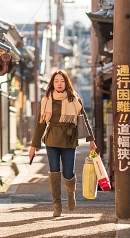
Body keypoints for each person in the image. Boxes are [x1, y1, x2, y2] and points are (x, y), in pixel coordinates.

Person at [29, 69, 96, 217]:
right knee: (54, 171)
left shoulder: (74, 99)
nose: (59, 84)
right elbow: (40, 125)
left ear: (67, 82)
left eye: (62, 81)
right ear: (52, 83)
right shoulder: (47, 100)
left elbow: (83, 120)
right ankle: (57, 206)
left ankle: (70, 194)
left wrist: (91, 141)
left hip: (69, 139)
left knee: (68, 172)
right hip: (52, 139)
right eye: (56, 81)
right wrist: (33, 146)